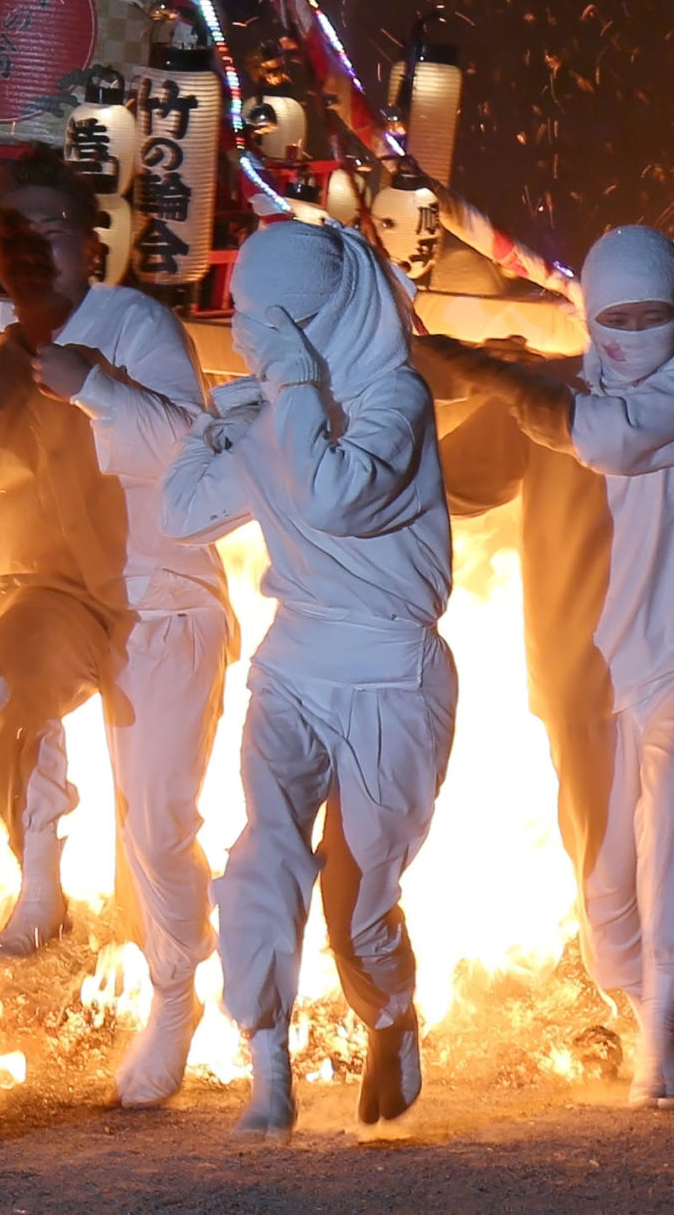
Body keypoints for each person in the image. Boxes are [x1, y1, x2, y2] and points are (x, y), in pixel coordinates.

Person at [415, 226, 674, 1106]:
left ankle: (667, 1014)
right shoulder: (547, 391)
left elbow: (606, 437)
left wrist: (485, 371)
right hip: (579, 667)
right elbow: (447, 486)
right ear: (594, 317)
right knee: (605, 869)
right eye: (620, 318)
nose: (637, 333)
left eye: (654, 316)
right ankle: (644, 1007)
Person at [0, 150, 237, 1107]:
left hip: (162, 599)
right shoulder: (1, 360)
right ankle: (41, 881)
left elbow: (199, 451)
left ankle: (175, 992)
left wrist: (95, 387)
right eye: (14, 233)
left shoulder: (135, 327)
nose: (32, 249)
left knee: (156, 827)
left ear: (91, 242)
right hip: (57, 596)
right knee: (2, 684)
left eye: (51, 229)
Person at [160, 218, 454, 1138]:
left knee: (357, 910)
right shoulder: (274, 408)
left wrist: (286, 389)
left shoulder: (396, 398)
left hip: (391, 673)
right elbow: (182, 515)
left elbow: (334, 493)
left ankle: (391, 1013)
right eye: (251, 320)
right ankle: (268, 1070)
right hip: (292, 661)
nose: (258, 337)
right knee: (264, 857)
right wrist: (217, 428)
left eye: (278, 322)